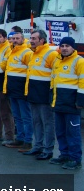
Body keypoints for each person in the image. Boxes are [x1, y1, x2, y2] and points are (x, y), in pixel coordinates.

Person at [24, 30, 59, 160]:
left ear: (41, 40)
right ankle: (37, 146)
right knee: (36, 121)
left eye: (34, 38)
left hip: (45, 94)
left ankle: (48, 149)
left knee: (47, 123)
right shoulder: (33, 53)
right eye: (31, 38)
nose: (31, 40)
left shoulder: (51, 54)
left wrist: (52, 93)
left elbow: (56, 74)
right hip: (33, 92)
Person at [49, 37, 83, 170]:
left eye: (67, 46)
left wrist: (80, 101)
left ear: (73, 48)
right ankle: (64, 155)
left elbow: (83, 82)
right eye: (62, 45)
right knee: (61, 132)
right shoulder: (57, 61)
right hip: (59, 102)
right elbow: (53, 80)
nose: (64, 48)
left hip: (72, 104)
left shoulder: (79, 61)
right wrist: (52, 97)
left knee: (73, 133)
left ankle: (75, 159)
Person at [3, 30, 33, 151]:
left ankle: (28, 141)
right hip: (12, 89)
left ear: (22, 39)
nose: (15, 40)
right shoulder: (11, 52)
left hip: (22, 90)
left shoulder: (27, 52)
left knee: (26, 116)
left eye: (17, 38)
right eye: (13, 38)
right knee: (17, 116)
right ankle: (20, 138)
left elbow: (30, 72)